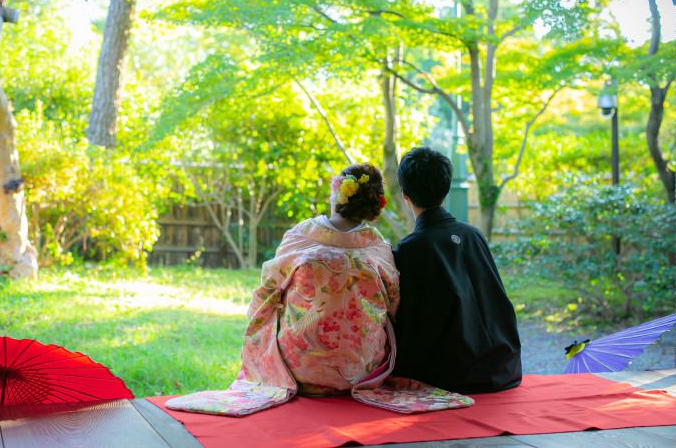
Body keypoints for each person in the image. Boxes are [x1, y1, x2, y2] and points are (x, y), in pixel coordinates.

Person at [165, 163, 474, 416]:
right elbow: (394, 306)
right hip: (361, 371)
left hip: (299, 369)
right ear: (374, 204)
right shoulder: (379, 248)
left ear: (337, 194)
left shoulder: (301, 235)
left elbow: (267, 292)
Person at [391, 147, 522, 394]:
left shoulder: (409, 249)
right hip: (504, 366)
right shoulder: (473, 235)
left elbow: (413, 325)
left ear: (404, 193)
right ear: (446, 188)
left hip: (453, 375)